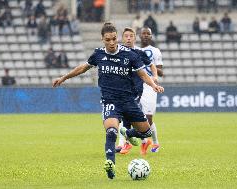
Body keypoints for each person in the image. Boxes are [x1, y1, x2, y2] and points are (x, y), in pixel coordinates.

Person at [52, 23, 164, 179]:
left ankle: (128, 132)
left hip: (128, 101)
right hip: (110, 101)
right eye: (108, 40)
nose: (111, 43)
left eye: (114, 39)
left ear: (117, 37)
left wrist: (153, 85)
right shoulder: (98, 54)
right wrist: (64, 77)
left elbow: (143, 74)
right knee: (111, 132)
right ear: (102, 39)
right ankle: (110, 164)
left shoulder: (129, 54)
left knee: (146, 132)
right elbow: (82, 68)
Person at [116, 27, 158, 155]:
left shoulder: (139, 52)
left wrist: (155, 76)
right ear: (122, 38)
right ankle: (139, 140)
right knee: (125, 117)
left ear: (135, 38)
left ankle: (125, 143)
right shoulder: (117, 52)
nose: (128, 38)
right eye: (126, 36)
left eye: (131, 36)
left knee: (130, 116)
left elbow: (151, 65)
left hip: (135, 90)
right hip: (121, 89)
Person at [139, 27, 164, 153]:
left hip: (151, 86)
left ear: (151, 36)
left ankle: (155, 142)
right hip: (137, 85)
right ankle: (144, 142)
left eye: (148, 33)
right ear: (139, 36)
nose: (145, 35)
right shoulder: (135, 50)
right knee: (136, 115)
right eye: (143, 33)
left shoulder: (155, 51)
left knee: (148, 117)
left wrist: (149, 64)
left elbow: (161, 72)